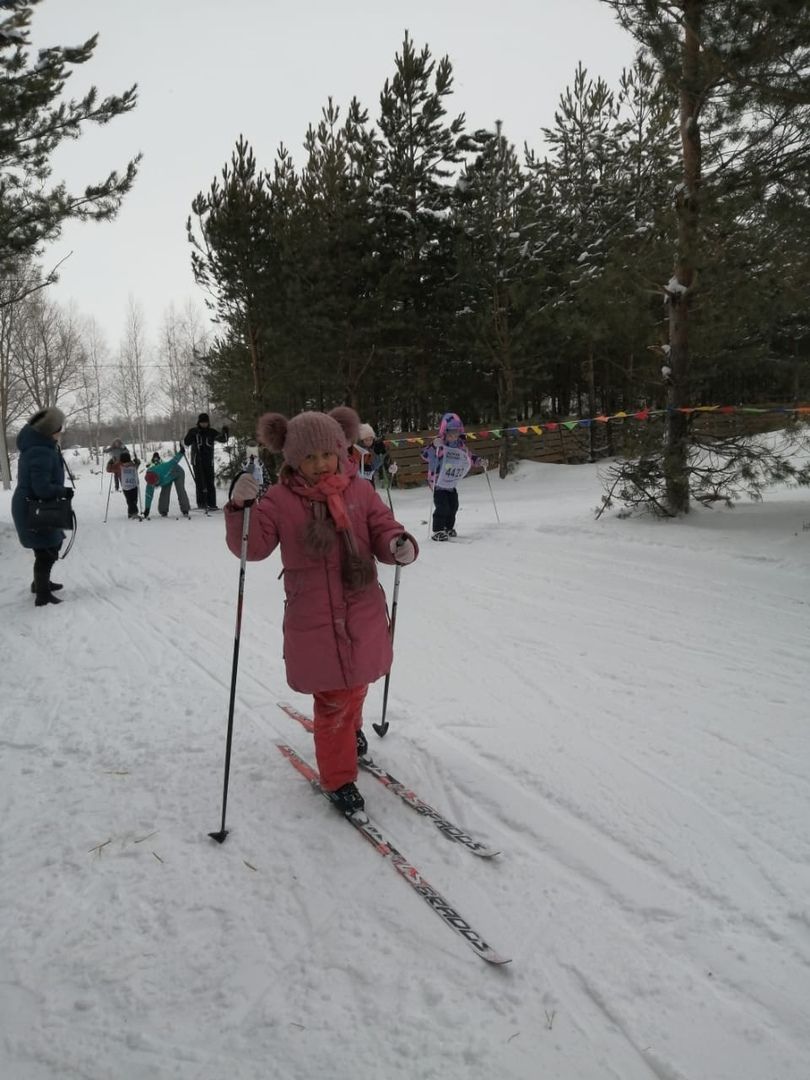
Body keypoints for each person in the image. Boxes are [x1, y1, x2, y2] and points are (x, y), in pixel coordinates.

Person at [225, 406, 418, 818]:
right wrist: (242, 509)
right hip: (313, 616)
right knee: (332, 698)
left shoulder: (360, 490)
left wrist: (398, 543)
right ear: (293, 458)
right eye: (309, 457)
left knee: (359, 681)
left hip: (362, 607)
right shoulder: (278, 500)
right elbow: (253, 548)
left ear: (340, 449)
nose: (319, 464)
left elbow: (383, 527)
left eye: (326, 454)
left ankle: (353, 729)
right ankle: (338, 777)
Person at [11, 407, 71, 607]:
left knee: (46, 546)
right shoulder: (40, 451)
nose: (61, 432)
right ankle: (42, 594)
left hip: (32, 505)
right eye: (58, 428)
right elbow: (42, 488)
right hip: (34, 507)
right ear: (50, 430)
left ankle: (40, 582)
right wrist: (63, 492)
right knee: (48, 549)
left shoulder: (40, 446)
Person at [421, 412, 487, 541]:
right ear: (444, 433)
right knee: (442, 506)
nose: (454, 436)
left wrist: (479, 461)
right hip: (438, 482)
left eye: (456, 433)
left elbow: (469, 457)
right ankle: (438, 530)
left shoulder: (460, 446)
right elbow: (424, 454)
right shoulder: (439, 444)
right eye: (451, 434)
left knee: (453, 505)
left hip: (451, 483)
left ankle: (448, 527)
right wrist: (434, 445)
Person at [183, 412, 229, 510]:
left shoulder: (211, 432)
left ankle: (212, 504)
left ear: (208, 423)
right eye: (202, 422)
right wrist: (191, 434)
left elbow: (223, 439)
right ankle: (201, 504)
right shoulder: (194, 431)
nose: (204, 424)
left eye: (206, 422)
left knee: (209, 482)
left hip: (208, 461)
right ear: (198, 422)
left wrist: (225, 432)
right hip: (197, 460)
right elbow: (186, 442)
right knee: (200, 482)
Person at [142, 448, 191, 518]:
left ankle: (185, 509)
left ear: (157, 478)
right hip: (166, 479)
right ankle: (163, 511)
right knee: (165, 492)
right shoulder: (150, 481)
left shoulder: (163, 469)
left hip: (178, 472)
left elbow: (173, 461)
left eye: (155, 483)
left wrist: (181, 452)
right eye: (153, 484)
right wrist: (147, 509)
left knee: (180, 490)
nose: (154, 486)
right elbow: (148, 495)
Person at [117, 450, 141, 519]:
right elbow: (109, 469)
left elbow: (138, 463)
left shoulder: (133, 465)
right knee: (130, 501)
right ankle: (134, 513)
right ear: (122, 461)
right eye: (124, 462)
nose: (126, 464)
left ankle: (130, 513)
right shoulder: (119, 466)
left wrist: (136, 460)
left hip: (134, 486)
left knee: (134, 500)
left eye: (127, 462)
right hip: (126, 487)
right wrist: (111, 462)